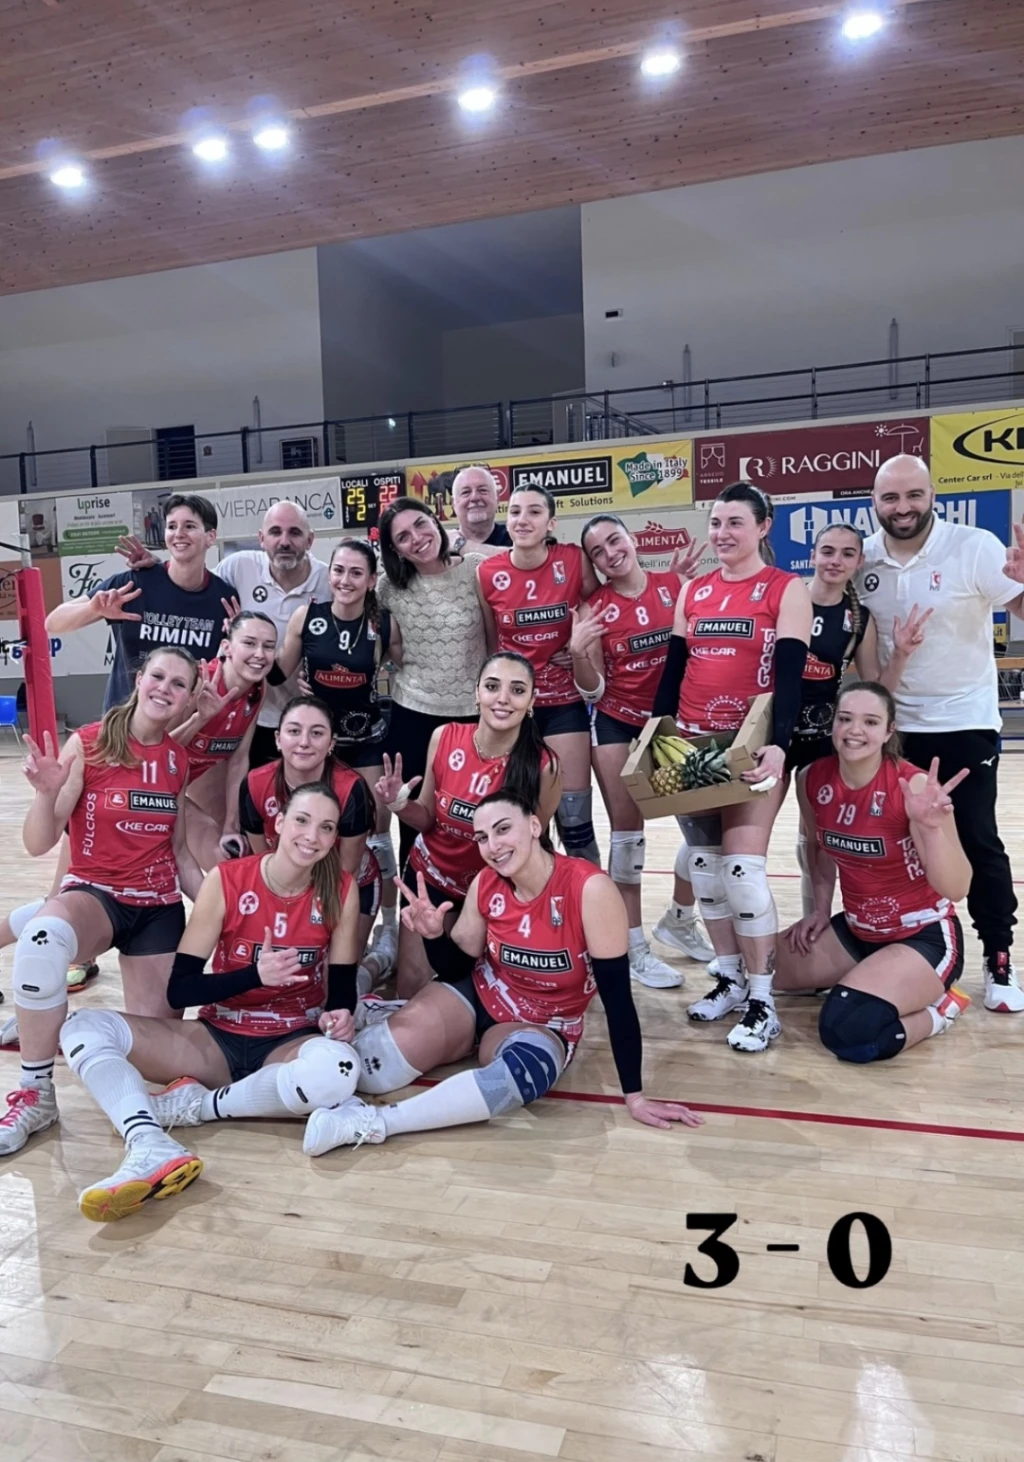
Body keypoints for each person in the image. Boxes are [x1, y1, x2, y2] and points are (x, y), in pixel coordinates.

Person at [293, 790, 705, 1156]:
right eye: (482, 837)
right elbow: (456, 967)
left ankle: (373, 1123)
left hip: (543, 1023)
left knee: (520, 1077)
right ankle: (374, 1017)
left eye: (503, 829)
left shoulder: (589, 889)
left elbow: (617, 1000)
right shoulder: (486, 883)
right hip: (476, 997)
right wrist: (435, 936)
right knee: (372, 1073)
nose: (493, 845)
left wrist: (635, 1095)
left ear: (534, 826)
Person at [59, 782, 363, 1221]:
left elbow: (342, 988)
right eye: (302, 820)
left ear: (335, 839)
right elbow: (180, 990)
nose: (311, 836)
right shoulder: (228, 880)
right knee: (82, 1027)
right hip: (217, 1039)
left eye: (326, 827)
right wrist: (255, 975)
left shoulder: (341, 889)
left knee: (340, 1069)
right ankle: (148, 1141)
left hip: (288, 1044)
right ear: (279, 823)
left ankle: (198, 1106)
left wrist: (341, 1015)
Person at [0, 648, 204, 1157]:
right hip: (96, 894)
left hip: (158, 908)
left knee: (159, 1060)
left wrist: (226, 912)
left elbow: (180, 853)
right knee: (42, 940)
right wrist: (46, 794)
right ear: (139, 679)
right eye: (158, 676)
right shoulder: (89, 743)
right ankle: (36, 1093)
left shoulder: (177, 760)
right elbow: (38, 843)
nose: (165, 689)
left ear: (188, 699)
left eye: (179, 684)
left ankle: (51, 1019)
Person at [858, 454, 1024, 1012]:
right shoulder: (864, 559)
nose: (903, 507)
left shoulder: (974, 547)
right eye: (890, 497)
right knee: (896, 846)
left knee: (976, 839)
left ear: (933, 496)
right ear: (875, 502)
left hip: (963, 723)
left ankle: (998, 958)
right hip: (895, 730)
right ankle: (906, 951)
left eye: (914, 495)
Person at [652, 482, 813, 1053]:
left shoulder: (785, 588)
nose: (722, 533)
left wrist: (781, 746)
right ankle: (730, 977)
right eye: (716, 523)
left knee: (742, 871)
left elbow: (790, 678)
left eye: (735, 523)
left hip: (751, 749)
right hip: (693, 749)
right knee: (705, 870)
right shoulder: (694, 591)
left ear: (763, 527)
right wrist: (656, 739)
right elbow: (673, 674)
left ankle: (763, 1001)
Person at [776, 681, 972, 1060]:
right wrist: (819, 911)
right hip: (857, 931)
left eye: (870, 722)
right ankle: (871, 978)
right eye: (845, 719)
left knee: (847, 1031)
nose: (854, 731)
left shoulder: (914, 786)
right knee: (752, 968)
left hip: (922, 936)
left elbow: (957, 887)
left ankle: (943, 1008)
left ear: (888, 731)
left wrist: (931, 830)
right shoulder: (811, 778)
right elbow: (818, 849)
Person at [571, 513, 714, 987]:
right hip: (617, 724)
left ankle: (679, 920)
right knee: (628, 839)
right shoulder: (594, 609)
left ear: (631, 540)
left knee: (702, 831)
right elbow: (593, 690)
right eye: (598, 551)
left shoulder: (676, 585)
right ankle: (632, 947)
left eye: (615, 541)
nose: (610, 553)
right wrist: (579, 653)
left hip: (671, 725)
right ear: (594, 563)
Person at [375, 652, 562, 994]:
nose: (503, 698)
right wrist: (398, 804)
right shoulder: (444, 737)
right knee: (411, 993)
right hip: (432, 878)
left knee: (480, 994)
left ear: (532, 701)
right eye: (492, 686)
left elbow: (533, 849)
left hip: (492, 890)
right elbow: (427, 817)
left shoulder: (544, 766)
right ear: (477, 692)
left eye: (517, 690)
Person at [790, 522, 931, 915]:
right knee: (736, 838)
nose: (836, 560)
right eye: (828, 551)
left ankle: (814, 920)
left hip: (821, 735)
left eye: (847, 553)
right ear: (812, 555)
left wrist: (900, 654)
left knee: (814, 836)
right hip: (770, 731)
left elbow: (874, 690)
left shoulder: (858, 620)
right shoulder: (785, 597)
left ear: (859, 562)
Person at [274, 539, 399, 958]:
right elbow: (278, 674)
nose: (346, 580)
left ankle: (388, 925)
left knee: (375, 834)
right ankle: (312, 916)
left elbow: (410, 669)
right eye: (339, 571)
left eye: (356, 573)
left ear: (371, 580)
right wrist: (239, 646)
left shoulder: (384, 625)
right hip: (317, 747)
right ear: (329, 575)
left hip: (367, 741)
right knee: (315, 831)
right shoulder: (307, 616)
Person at [477, 484, 601, 865]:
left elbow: (599, 607)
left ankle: (588, 896)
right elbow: (493, 644)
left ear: (551, 523)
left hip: (563, 702)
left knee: (576, 822)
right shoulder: (487, 572)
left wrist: (580, 649)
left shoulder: (573, 559)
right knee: (524, 818)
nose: (522, 520)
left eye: (534, 512)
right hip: (513, 710)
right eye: (515, 512)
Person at [377, 496, 489, 869]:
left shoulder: (475, 569)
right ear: (395, 550)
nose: (417, 538)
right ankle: (415, 901)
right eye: (403, 537)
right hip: (413, 717)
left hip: (474, 717)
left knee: (481, 818)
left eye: (420, 524)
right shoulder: (387, 588)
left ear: (435, 521)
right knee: (414, 822)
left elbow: (496, 641)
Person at [236, 696, 381, 981]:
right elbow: (262, 864)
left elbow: (345, 874)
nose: (304, 742)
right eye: (294, 731)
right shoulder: (255, 784)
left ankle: (377, 963)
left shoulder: (351, 789)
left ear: (331, 743)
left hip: (348, 886)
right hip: (289, 886)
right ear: (277, 739)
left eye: (316, 733)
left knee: (331, 980)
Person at [47, 494, 232, 712]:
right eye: (172, 526)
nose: (179, 533)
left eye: (189, 526)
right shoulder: (134, 583)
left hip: (184, 723)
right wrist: (93, 609)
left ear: (211, 537)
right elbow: (52, 623)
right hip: (124, 721)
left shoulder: (224, 598)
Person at [170, 611, 278, 870]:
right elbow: (153, 749)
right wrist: (199, 719)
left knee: (226, 855)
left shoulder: (258, 688)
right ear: (227, 647)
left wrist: (231, 824)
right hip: (135, 783)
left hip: (177, 785)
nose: (260, 654)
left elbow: (239, 759)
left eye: (268, 646)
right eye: (249, 643)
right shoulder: (198, 682)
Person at [448, 465, 512, 555]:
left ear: (497, 497)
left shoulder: (516, 536)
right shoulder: (441, 546)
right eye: (466, 492)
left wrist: (460, 545)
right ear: (453, 503)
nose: (475, 497)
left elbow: (523, 557)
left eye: (482, 490)